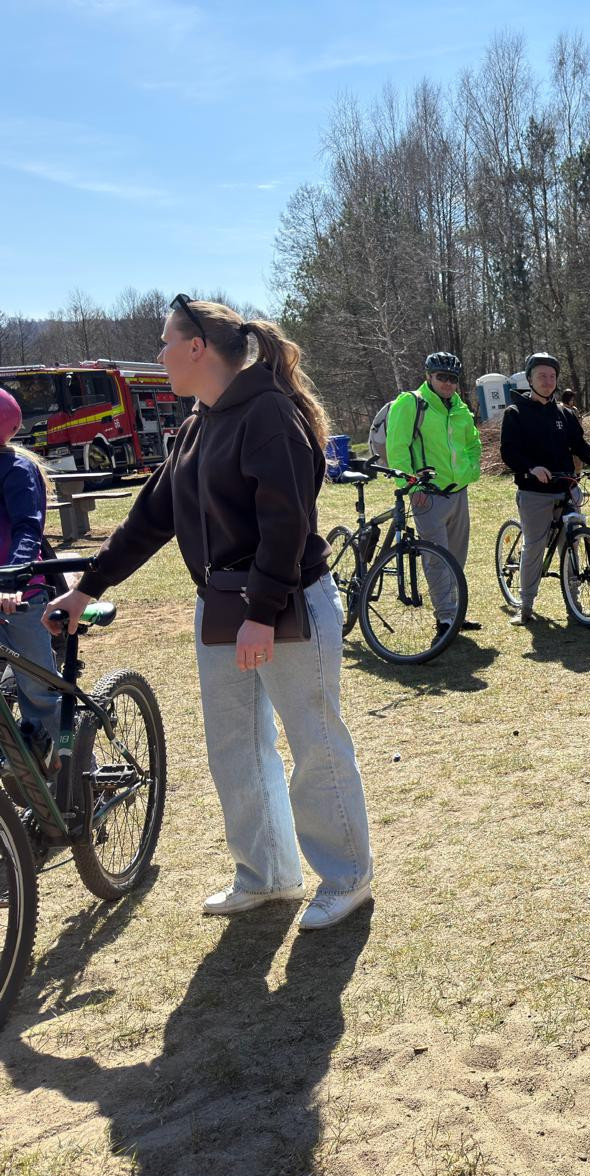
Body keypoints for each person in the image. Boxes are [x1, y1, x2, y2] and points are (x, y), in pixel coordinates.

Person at [46, 296, 372, 929]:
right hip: (221, 608)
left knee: (314, 742)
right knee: (234, 748)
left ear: (198, 348)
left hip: (285, 606)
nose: (159, 355)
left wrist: (262, 608)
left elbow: (287, 520)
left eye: (165, 342)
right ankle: (267, 874)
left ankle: (346, 877)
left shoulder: (269, 413)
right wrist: (89, 586)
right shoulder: (200, 419)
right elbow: (153, 513)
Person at [499, 352, 590, 624]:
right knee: (534, 546)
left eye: (552, 376)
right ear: (530, 379)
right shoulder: (515, 413)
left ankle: (574, 602)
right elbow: (509, 452)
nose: (548, 381)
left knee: (571, 543)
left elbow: (580, 445)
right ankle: (525, 606)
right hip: (534, 491)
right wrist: (531, 468)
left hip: (566, 486)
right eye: (541, 376)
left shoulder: (565, 413)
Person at [386, 351, 482, 635]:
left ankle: (455, 611)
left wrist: (470, 470)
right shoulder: (413, 403)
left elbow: (473, 444)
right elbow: (398, 447)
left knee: (457, 557)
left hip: (458, 493)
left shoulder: (460, 408)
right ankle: (445, 618)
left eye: (452, 378)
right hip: (427, 495)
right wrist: (411, 486)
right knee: (437, 558)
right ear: (429, 376)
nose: (448, 383)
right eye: (442, 377)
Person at [0, 388, 60, 771]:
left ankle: (67, 774)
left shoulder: (17, 469)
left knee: (38, 690)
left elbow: (28, 530)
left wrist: (11, 580)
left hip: (20, 594)